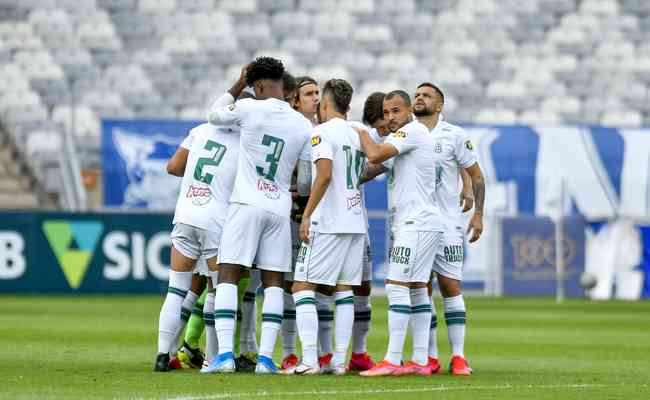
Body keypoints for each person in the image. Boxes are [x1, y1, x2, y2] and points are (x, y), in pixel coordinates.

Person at [202, 57, 313, 374]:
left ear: (259, 86)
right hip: (278, 208)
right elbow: (304, 180)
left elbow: (213, 115)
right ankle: (266, 359)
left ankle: (224, 356)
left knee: (228, 273)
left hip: (246, 204)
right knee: (275, 282)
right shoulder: (302, 124)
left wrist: (238, 85)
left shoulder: (249, 108)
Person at [153, 72, 245, 372]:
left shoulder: (200, 130)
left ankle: (161, 356)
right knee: (219, 289)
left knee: (176, 290)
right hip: (216, 219)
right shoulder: (246, 140)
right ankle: (213, 357)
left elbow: (173, 166)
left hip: (186, 214)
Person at [355, 90, 444, 377]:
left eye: (395, 111)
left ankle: (393, 359)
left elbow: (375, 153)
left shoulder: (413, 131)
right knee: (418, 291)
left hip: (415, 224)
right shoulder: (403, 141)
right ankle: (419, 361)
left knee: (396, 287)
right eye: (387, 112)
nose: (391, 118)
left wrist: (357, 131)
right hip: (422, 223)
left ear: (408, 112)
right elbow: (371, 169)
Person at [285, 79, 365, 375]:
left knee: (302, 286)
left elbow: (324, 176)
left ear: (327, 104)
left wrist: (306, 215)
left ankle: (308, 361)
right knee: (344, 290)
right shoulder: (359, 134)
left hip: (328, 221)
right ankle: (339, 361)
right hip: (356, 221)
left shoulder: (320, 133)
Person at [413, 82, 485, 375]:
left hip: (447, 224)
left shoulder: (454, 135)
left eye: (426, 95)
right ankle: (430, 356)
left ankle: (458, 356)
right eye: (416, 94)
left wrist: (478, 213)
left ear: (439, 105)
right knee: (421, 287)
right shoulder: (406, 132)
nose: (419, 97)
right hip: (415, 224)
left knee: (450, 286)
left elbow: (476, 174)